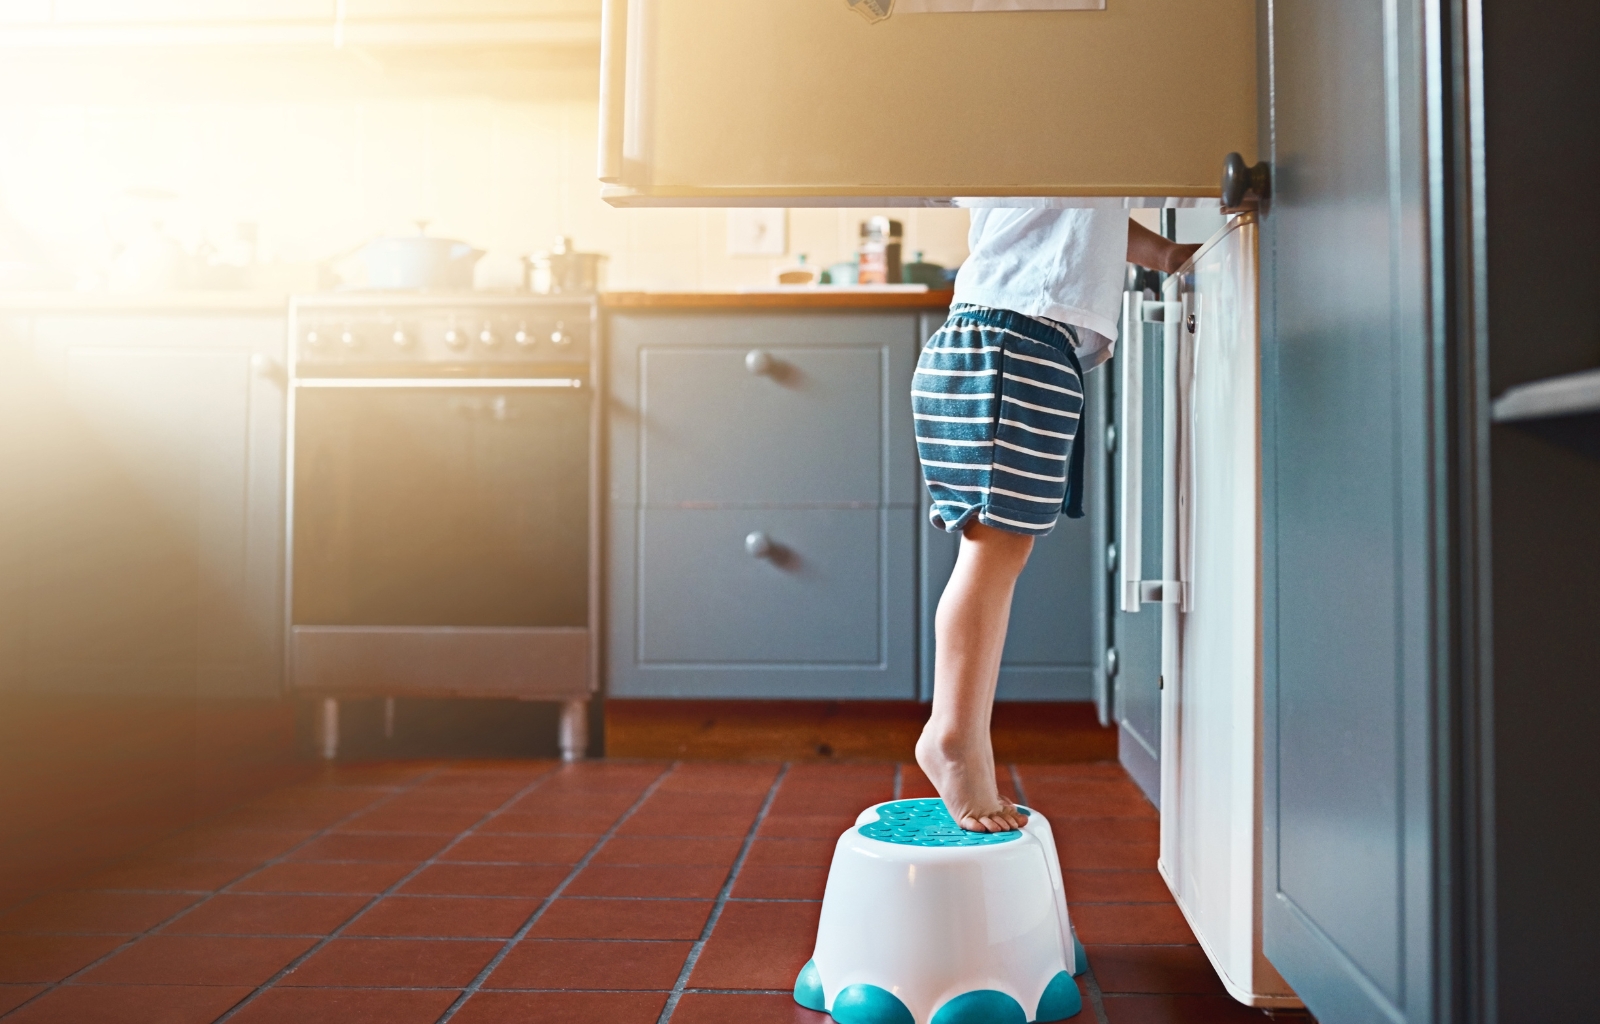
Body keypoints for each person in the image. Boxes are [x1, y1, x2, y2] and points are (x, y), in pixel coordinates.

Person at [914, 206, 1198, 833]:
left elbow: (1096, 215)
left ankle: (959, 735)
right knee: (991, 554)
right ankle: (954, 737)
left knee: (998, 553)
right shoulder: (1054, 121)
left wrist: (1169, 255)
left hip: (1022, 345)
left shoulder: (1070, 140)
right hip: (1011, 342)